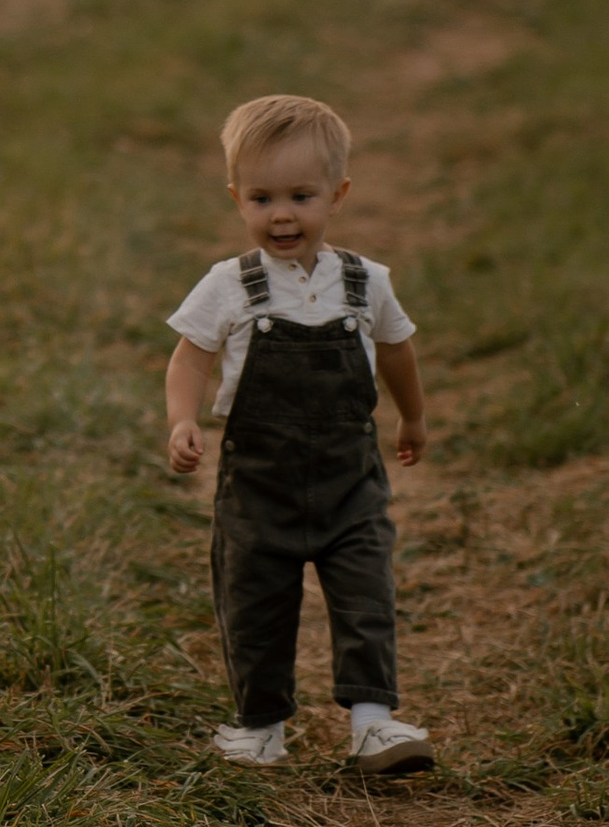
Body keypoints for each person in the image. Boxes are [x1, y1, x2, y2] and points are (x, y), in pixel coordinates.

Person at [163, 92, 434, 775]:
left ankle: (373, 723)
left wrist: (413, 415)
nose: (281, 214)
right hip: (259, 485)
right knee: (254, 600)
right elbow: (190, 356)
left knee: (365, 592)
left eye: (301, 196)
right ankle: (260, 725)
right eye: (261, 198)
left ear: (337, 195)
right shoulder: (230, 285)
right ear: (236, 199)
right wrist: (183, 418)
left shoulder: (365, 282)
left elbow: (398, 349)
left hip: (350, 482)